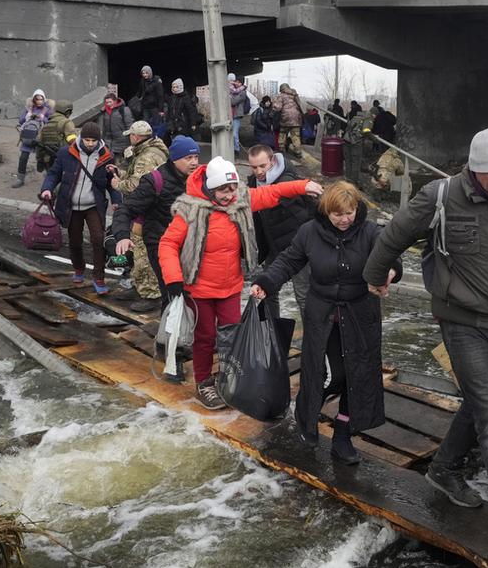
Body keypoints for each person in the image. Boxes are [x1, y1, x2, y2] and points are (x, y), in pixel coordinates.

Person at [362, 127, 488, 551]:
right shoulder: (440, 197)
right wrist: (375, 276)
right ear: (473, 168)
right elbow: (394, 234)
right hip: (460, 321)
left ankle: (445, 469)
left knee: (479, 401)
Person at [251, 181, 400, 463]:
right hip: (323, 315)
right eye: (338, 214)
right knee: (329, 374)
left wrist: (390, 271)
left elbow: (389, 257)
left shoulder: (369, 232)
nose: (345, 220)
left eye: (350, 212)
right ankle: (306, 415)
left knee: (356, 377)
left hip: (360, 315)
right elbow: (288, 261)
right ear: (326, 212)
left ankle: (343, 434)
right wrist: (266, 282)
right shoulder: (309, 232)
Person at [157, 156, 322, 406]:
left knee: (232, 335)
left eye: (233, 188)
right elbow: (168, 243)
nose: (230, 194)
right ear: (211, 188)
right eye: (224, 189)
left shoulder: (240, 201)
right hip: (198, 287)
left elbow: (271, 193)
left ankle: (227, 377)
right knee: (206, 337)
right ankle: (203, 382)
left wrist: (303, 185)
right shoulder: (190, 209)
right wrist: (173, 278)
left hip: (230, 285)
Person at [111, 135, 200, 305]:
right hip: (160, 243)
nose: (194, 162)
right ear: (174, 158)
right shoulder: (155, 180)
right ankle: (169, 328)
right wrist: (122, 235)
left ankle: (187, 328)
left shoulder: (198, 179)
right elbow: (126, 208)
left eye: (196, 157)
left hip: (188, 244)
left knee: (191, 293)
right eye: (188, 158)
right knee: (171, 293)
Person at [40, 122, 122, 295]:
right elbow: (54, 173)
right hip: (71, 206)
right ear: (81, 138)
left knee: (98, 240)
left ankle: (99, 277)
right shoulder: (66, 152)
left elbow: (111, 181)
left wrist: (116, 200)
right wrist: (47, 189)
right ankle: (78, 268)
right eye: (87, 140)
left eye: (94, 140)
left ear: (98, 140)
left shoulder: (106, 156)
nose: (90, 143)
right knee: (75, 241)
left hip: (94, 205)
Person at [246, 144, 315, 320]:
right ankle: (272, 334)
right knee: (267, 292)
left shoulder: (288, 179)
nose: (259, 171)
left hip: (298, 248)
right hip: (272, 247)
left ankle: (313, 340)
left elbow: (311, 210)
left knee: (303, 295)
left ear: (272, 161)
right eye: (254, 167)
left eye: (263, 166)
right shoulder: (252, 183)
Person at [112, 120, 169, 312]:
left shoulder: (146, 157)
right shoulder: (154, 151)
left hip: (146, 212)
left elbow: (137, 187)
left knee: (143, 252)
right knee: (139, 251)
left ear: (136, 137)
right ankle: (140, 286)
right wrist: (122, 173)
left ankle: (151, 294)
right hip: (150, 210)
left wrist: (118, 184)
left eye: (131, 135)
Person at [12, 89, 52, 188]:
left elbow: (51, 123)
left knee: (45, 159)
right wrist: (27, 116)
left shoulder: (47, 110)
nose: (39, 101)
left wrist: (43, 118)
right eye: (37, 99)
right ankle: (20, 179)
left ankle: (50, 180)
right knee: (23, 158)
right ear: (33, 99)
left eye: (41, 99)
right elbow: (20, 121)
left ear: (44, 99)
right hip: (28, 138)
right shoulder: (28, 109)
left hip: (41, 138)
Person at [36, 99, 76, 172]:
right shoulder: (66, 122)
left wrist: (39, 160)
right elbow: (72, 140)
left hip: (48, 160)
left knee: (51, 179)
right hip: (63, 158)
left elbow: (39, 144)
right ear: (68, 112)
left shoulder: (46, 125)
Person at [98, 92, 135, 159]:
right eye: (107, 102)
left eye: (110, 102)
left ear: (115, 101)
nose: (108, 104)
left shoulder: (124, 110)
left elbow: (130, 125)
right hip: (109, 142)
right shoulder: (104, 112)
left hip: (122, 141)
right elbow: (103, 127)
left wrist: (131, 141)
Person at [274, 83, 304, 160]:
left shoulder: (281, 96)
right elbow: (300, 105)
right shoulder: (294, 94)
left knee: (283, 133)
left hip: (286, 118)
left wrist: (273, 106)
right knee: (295, 136)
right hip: (296, 118)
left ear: (281, 89)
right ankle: (298, 153)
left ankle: (281, 149)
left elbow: (278, 108)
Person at [137, 66, 167, 138]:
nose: (144, 75)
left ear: (150, 73)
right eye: (143, 73)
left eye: (146, 73)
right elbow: (139, 92)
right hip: (145, 106)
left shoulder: (156, 81)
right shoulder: (142, 81)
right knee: (145, 125)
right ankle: (146, 139)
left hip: (155, 107)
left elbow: (160, 96)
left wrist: (161, 110)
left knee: (156, 125)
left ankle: (155, 139)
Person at [343, 108, 372, 179]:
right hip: (355, 143)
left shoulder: (354, 118)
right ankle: (354, 181)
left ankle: (348, 178)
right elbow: (366, 131)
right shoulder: (367, 119)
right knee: (356, 162)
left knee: (348, 161)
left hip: (346, 141)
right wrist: (375, 139)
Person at [228, 73, 248, 153]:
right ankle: (231, 149)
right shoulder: (233, 91)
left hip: (236, 116)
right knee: (230, 133)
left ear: (241, 83)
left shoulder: (242, 92)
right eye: (236, 81)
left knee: (234, 134)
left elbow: (233, 102)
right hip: (230, 114)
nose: (236, 83)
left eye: (238, 82)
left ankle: (236, 149)